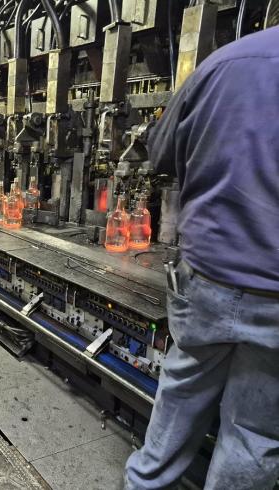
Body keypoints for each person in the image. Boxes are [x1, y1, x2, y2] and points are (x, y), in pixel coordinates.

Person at [124, 27, 279, 489]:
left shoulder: (222, 64)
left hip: (206, 278)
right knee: (254, 434)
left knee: (180, 396)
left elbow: (161, 152)